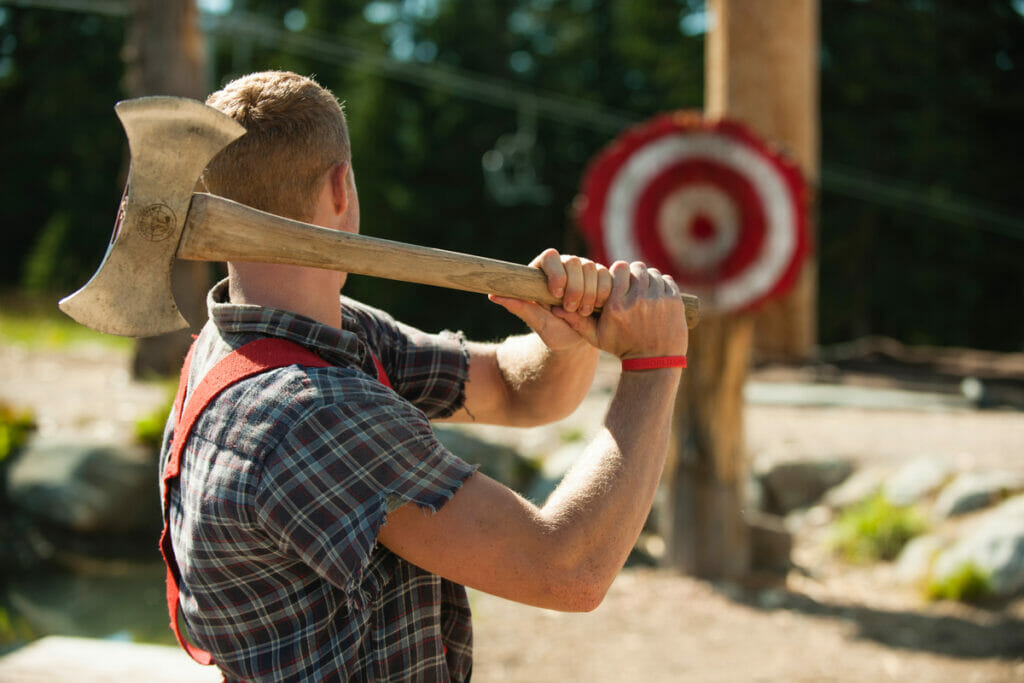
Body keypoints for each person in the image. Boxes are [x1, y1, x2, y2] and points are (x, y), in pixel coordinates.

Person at [159, 70, 688, 682]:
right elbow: (569, 570)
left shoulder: (279, 338)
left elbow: (521, 395)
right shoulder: (314, 410)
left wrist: (566, 339)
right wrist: (653, 365)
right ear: (341, 189)